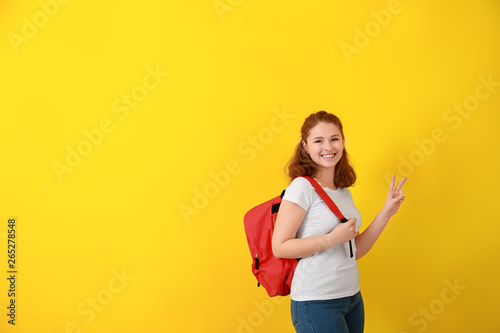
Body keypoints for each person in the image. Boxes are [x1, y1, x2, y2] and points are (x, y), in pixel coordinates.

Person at [272, 111, 406, 333]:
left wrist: (386, 212)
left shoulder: (343, 192)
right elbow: (280, 247)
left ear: (343, 142)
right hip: (317, 301)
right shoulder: (301, 187)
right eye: (318, 141)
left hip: (352, 298)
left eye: (334, 139)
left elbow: (355, 250)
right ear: (305, 146)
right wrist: (332, 238)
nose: (328, 147)